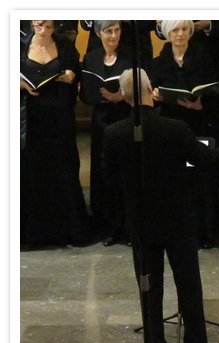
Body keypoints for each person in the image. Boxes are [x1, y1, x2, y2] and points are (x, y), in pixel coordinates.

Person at [102, 68, 219, 343]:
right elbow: (213, 162)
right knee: (189, 286)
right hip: (178, 219)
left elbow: (110, 180)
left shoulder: (113, 135)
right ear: (152, 91)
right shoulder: (175, 129)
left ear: (125, 99)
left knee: (149, 290)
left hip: (141, 223)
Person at [152, 20, 219, 249]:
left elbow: (215, 91)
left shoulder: (203, 57)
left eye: (184, 29)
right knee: (175, 180)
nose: (180, 34)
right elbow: (153, 89)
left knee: (200, 179)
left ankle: (205, 232)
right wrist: (155, 95)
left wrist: (201, 106)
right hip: (171, 127)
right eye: (175, 30)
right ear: (167, 33)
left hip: (198, 125)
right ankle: (176, 232)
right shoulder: (159, 61)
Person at [20, 20, 91, 248]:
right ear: (32, 22)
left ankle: (67, 229)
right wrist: (19, 84)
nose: (43, 30)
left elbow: (75, 72)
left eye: (48, 26)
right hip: (31, 121)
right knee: (32, 171)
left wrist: (71, 76)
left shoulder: (65, 46)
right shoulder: (18, 45)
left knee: (63, 169)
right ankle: (34, 233)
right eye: (39, 25)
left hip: (59, 119)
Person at [79, 20, 132, 247]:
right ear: (99, 33)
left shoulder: (130, 56)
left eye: (117, 30)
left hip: (124, 119)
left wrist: (121, 96)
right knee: (103, 173)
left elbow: (141, 89)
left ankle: (129, 228)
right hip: (101, 121)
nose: (113, 36)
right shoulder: (91, 58)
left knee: (126, 172)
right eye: (108, 31)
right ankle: (108, 227)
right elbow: (85, 95)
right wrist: (100, 97)